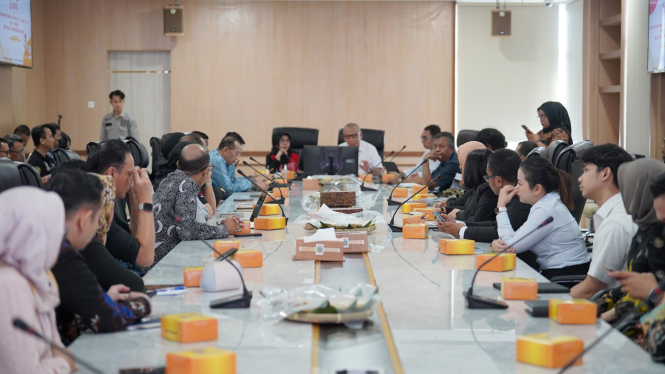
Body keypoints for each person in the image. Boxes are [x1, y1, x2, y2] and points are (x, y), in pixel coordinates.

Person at [46, 170, 151, 344]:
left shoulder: (44, 240)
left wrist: (104, 299)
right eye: (97, 220)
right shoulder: (61, 253)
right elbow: (108, 320)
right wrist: (144, 302)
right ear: (84, 219)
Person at [0, 187, 77, 374]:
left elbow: (55, 348)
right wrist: (64, 364)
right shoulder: (9, 284)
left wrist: (62, 360)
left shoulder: (35, 276)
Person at [490, 157, 591, 280]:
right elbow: (511, 243)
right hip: (562, 273)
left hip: (566, 278)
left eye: (520, 183)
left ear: (537, 189)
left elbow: (510, 246)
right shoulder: (547, 203)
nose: (516, 188)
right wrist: (498, 244)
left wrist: (501, 206)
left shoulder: (546, 209)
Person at [437, 149, 539, 270]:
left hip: (534, 270)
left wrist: (461, 231)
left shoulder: (522, 200)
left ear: (498, 180)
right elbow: (498, 225)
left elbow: (504, 236)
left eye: (487, 177)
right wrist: (462, 225)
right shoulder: (513, 194)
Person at [54, 160, 146, 292]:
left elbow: (132, 237)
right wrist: (146, 201)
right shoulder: (72, 249)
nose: (102, 222)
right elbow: (136, 281)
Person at [152, 144, 242, 268]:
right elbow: (187, 232)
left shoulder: (170, 178)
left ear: (178, 164)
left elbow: (186, 224)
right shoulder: (187, 185)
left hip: (156, 254)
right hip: (162, 260)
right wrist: (225, 229)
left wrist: (220, 226)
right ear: (205, 171)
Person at [599, 159, 665, 323]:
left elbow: (650, 297)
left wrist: (602, 318)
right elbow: (631, 288)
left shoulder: (657, 238)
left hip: (639, 324)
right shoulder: (642, 229)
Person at [569, 144, 636, 299]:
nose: (580, 178)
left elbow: (592, 287)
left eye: (586, 170)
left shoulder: (615, 223)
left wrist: (550, 306)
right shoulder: (621, 210)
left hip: (613, 311)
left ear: (605, 173)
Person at [86, 139, 156, 269]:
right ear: (111, 173)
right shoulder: (96, 208)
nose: (132, 179)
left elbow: (133, 236)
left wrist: (134, 195)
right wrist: (146, 200)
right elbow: (145, 258)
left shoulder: (100, 198)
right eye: (130, 174)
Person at [434, 141, 486, 214]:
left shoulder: (484, 186)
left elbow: (469, 213)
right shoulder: (476, 184)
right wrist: (445, 208)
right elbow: (465, 206)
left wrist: (447, 209)